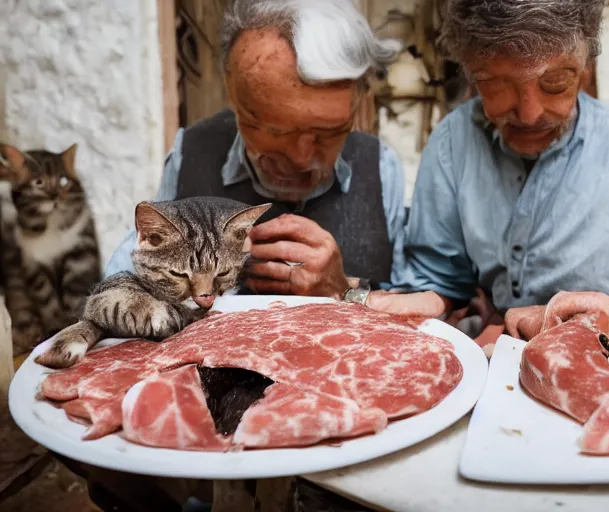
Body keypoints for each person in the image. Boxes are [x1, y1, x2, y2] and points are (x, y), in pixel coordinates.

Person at [390, 0, 609, 343]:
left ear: (585, 68)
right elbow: (438, 278)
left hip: (603, 368)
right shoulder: (453, 142)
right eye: (496, 84)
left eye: (554, 82)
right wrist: (425, 301)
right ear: (471, 72)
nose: (529, 114)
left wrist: (578, 331)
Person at [105, 0, 442, 314]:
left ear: (359, 102)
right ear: (233, 94)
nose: (301, 158)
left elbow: (414, 307)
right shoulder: (192, 153)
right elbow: (115, 293)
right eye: (274, 130)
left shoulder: (379, 166)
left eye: (328, 133)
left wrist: (344, 289)